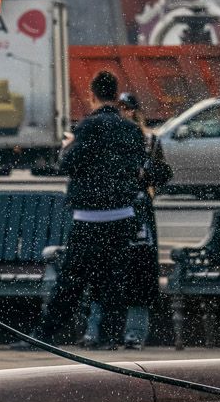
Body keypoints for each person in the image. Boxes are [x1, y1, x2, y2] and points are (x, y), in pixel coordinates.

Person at [32, 71, 148, 348]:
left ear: (92, 95)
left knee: (71, 282)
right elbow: (139, 168)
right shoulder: (131, 129)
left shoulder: (88, 127)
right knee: (114, 282)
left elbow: (68, 164)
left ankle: (46, 335)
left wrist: (68, 147)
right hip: (122, 215)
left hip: (90, 218)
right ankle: (111, 338)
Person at [74, 91, 173, 349]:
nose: (124, 113)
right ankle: (95, 331)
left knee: (138, 275)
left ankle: (134, 333)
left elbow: (163, 172)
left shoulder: (149, 140)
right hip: (113, 210)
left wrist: (145, 174)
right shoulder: (104, 137)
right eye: (120, 108)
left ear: (135, 112)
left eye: (128, 109)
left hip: (137, 211)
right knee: (102, 271)